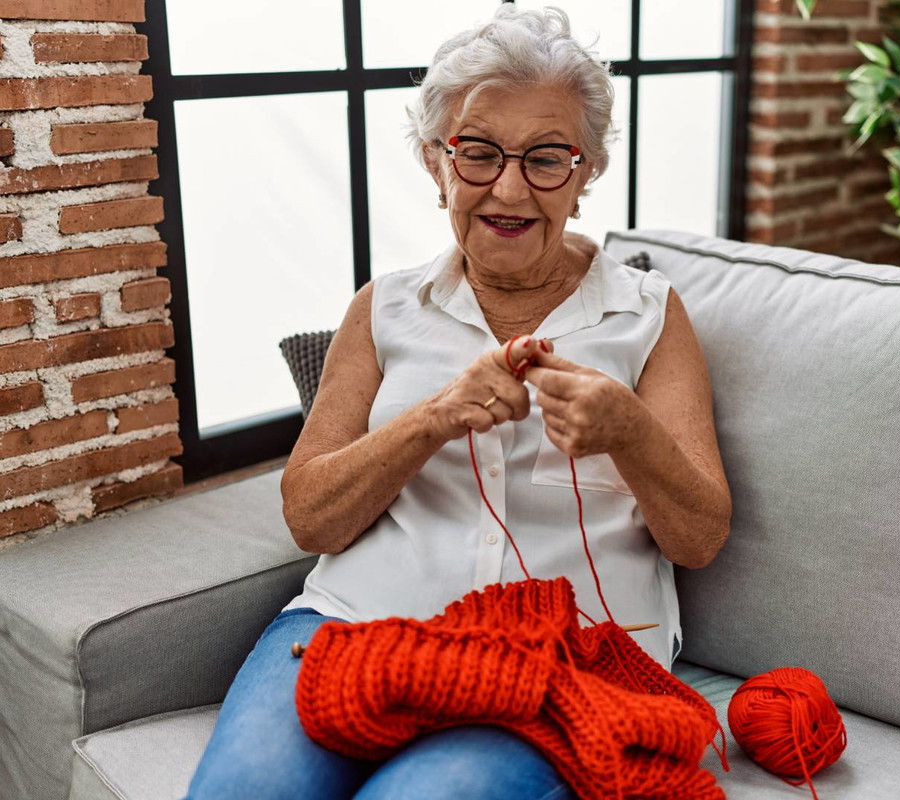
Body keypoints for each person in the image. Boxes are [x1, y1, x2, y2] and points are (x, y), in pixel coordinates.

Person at [183, 6, 730, 799]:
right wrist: (433, 416)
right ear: (438, 165)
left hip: (560, 662)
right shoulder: (382, 308)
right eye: (477, 153)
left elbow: (701, 536)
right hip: (357, 624)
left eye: (546, 157)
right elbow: (310, 516)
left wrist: (629, 432)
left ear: (585, 174)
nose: (508, 188)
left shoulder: (649, 315)